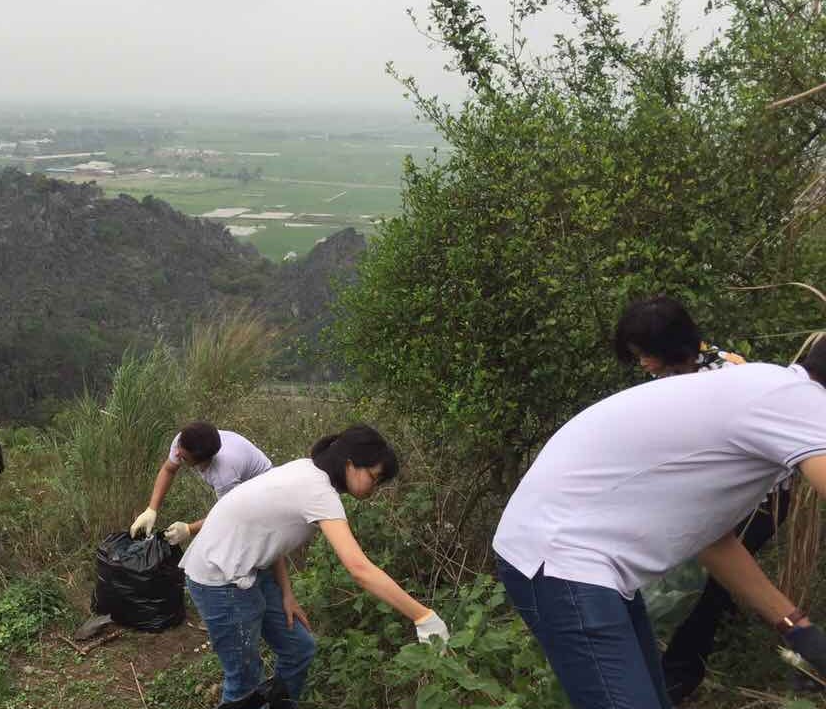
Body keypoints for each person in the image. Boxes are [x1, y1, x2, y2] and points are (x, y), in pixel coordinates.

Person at [494, 337, 826, 709]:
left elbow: (712, 540)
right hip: (562, 559)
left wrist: (798, 629)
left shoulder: (769, 388)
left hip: (573, 557)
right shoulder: (801, 403)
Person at [179, 424, 449, 705]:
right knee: (244, 680)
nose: (375, 488)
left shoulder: (307, 470)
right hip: (218, 578)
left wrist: (287, 593)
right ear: (350, 464)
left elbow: (268, 534)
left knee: (298, 648)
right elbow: (359, 569)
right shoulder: (318, 491)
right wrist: (422, 616)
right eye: (374, 477)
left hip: (247, 569)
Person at [614, 295, 793, 702]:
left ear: (670, 345)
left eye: (646, 354)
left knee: (710, 589)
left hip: (756, 501)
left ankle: (678, 678)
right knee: (696, 584)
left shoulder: (728, 374)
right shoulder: (673, 374)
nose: (642, 363)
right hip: (709, 496)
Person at [129, 422, 272, 546]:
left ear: (200, 461)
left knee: (252, 539)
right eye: (178, 449)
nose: (176, 454)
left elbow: (227, 514)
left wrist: (189, 529)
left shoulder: (223, 474)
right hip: (239, 473)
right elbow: (169, 469)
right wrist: (151, 509)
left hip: (263, 489)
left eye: (183, 457)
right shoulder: (183, 441)